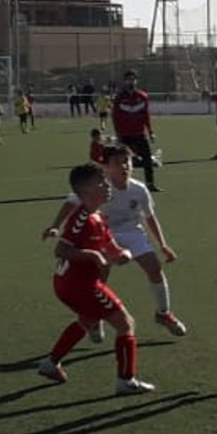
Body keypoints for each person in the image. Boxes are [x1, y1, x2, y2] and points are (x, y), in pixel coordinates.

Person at [42, 144, 187, 339]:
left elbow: (150, 217)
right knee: (99, 274)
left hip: (132, 232)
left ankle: (164, 314)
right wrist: (55, 226)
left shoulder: (139, 189)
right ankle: (94, 317)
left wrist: (163, 245)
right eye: (117, 163)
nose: (124, 166)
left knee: (154, 268)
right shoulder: (99, 187)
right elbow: (71, 202)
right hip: (103, 232)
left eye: (126, 161)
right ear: (106, 167)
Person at [37, 163, 156, 395]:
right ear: (85, 191)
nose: (107, 185)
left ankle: (51, 363)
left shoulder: (99, 216)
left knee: (89, 318)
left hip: (73, 285)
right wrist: (91, 255)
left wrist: (122, 253)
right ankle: (126, 380)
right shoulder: (81, 218)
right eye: (101, 182)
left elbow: (110, 246)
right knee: (125, 323)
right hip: (79, 285)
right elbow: (60, 250)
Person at [112, 70, 159, 192]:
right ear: (124, 81)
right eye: (128, 79)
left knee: (147, 159)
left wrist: (150, 131)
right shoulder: (119, 98)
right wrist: (118, 134)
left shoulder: (142, 96)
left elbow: (146, 116)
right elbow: (115, 117)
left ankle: (150, 183)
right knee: (124, 161)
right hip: (125, 135)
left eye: (133, 79)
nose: (131, 82)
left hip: (139, 134)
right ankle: (123, 185)